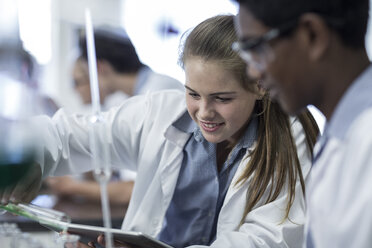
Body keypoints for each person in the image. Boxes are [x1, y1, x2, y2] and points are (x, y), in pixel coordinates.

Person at [2, 15, 318, 247]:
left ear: (259, 84)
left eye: (222, 98)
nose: (204, 112)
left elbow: (266, 240)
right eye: (193, 93)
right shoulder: (160, 113)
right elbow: (71, 135)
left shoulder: (288, 138)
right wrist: (32, 157)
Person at [233, 0, 372, 247]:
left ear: (313, 35)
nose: (253, 73)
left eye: (256, 48)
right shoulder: (341, 132)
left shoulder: (365, 139)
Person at [46, 27, 184, 205]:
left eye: (85, 74)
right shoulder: (127, 99)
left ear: (98, 68)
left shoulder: (161, 94)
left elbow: (141, 188)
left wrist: (72, 187)